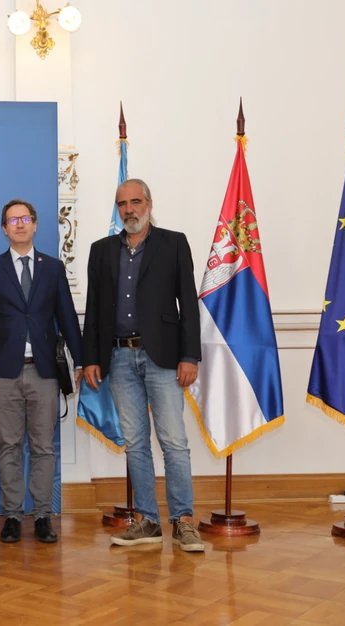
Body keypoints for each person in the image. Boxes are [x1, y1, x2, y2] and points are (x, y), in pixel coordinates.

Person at [82, 178, 205, 552]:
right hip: (119, 358)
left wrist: (190, 356)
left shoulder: (174, 243)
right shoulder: (101, 250)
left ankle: (183, 521)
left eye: (136, 202)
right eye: (122, 204)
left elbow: (188, 303)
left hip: (163, 357)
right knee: (135, 443)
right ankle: (148, 521)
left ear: (149, 204)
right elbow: (94, 310)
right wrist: (90, 358)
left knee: (174, 442)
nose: (129, 210)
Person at [0, 199, 83, 544]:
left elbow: (67, 316)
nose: (20, 224)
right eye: (13, 220)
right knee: (8, 445)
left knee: (43, 447)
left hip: (44, 371)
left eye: (25, 219)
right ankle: (11, 516)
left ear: (35, 224)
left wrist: (80, 360)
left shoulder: (52, 268)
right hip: (3, 373)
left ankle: (42, 516)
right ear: (4, 228)